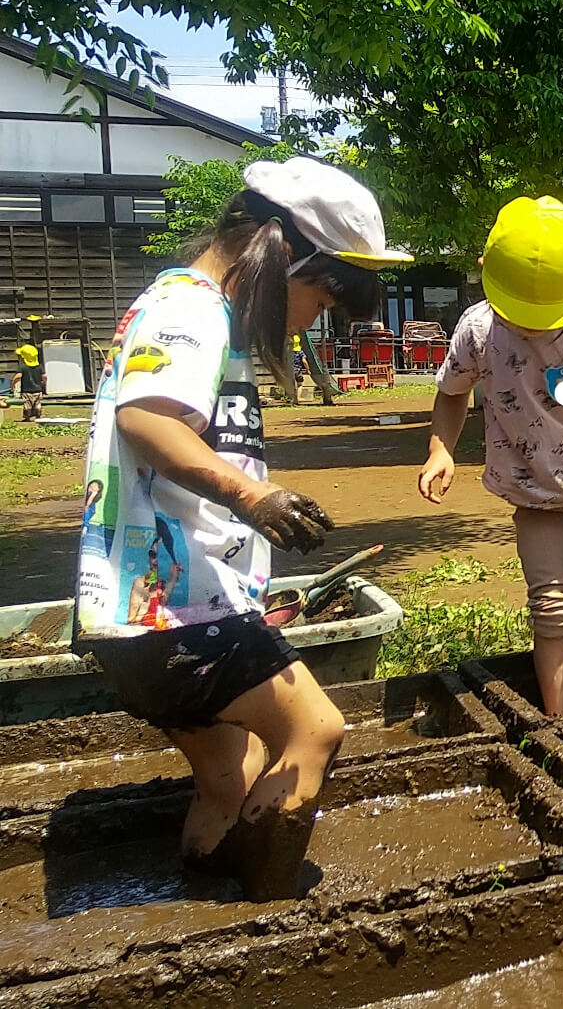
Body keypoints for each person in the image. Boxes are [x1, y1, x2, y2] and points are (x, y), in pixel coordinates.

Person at [70, 155, 408, 900]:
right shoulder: (191, 308)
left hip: (129, 622)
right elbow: (147, 420)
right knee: (314, 729)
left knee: (233, 775)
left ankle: (204, 899)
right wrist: (251, 498)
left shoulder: (179, 304)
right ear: (283, 251)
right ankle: (269, 918)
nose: (313, 320)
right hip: (177, 612)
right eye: (319, 301)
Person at [420, 197, 563, 717]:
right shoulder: (478, 330)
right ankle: (560, 725)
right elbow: (453, 392)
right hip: (534, 489)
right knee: (551, 609)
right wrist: (441, 450)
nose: (533, 326)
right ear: (487, 276)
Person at [13, 338, 44, 421]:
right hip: (38, 389)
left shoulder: (23, 367)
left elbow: (17, 377)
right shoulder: (39, 367)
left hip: (26, 390)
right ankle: (38, 414)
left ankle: (27, 417)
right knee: (37, 403)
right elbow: (44, 377)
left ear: (24, 357)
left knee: (27, 405)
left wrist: (13, 385)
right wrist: (44, 384)